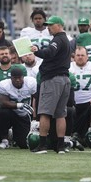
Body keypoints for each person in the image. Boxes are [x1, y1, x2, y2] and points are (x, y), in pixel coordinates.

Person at [30, 15, 71, 154]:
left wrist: (36, 50)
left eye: (51, 25)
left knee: (45, 113)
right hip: (64, 79)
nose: (48, 27)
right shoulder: (65, 39)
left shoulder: (58, 39)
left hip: (53, 80)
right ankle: (60, 146)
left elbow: (49, 52)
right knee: (60, 114)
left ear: (59, 25)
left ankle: (42, 145)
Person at [0, 46, 27, 148]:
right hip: (0, 105)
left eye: (6, 53)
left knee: (22, 143)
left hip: (18, 105)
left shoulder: (19, 69)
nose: (4, 55)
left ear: (11, 55)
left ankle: (13, 135)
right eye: (2, 54)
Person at [0, 67, 37, 149]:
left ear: (23, 77)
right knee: (4, 112)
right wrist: (19, 105)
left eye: (19, 78)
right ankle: (4, 140)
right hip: (11, 113)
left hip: (24, 115)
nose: (18, 80)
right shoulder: (4, 85)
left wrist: (35, 117)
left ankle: (12, 135)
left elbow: (36, 98)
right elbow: (3, 102)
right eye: (15, 78)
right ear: (11, 78)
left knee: (23, 144)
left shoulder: (31, 83)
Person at [69, 46, 91, 140]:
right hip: (74, 101)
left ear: (87, 56)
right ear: (74, 57)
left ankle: (84, 135)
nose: (80, 57)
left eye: (82, 55)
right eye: (78, 55)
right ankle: (73, 134)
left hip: (90, 100)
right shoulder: (69, 67)